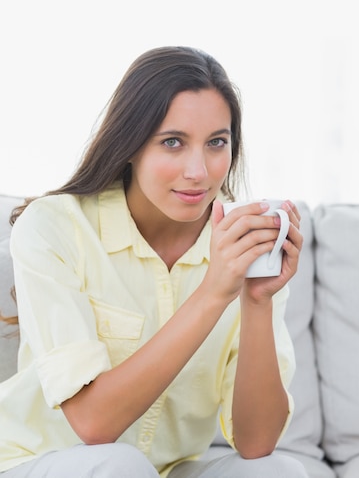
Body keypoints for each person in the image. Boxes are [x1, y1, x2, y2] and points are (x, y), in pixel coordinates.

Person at [0, 46, 307, 478]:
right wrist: (213, 294)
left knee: (279, 472)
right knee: (119, 467)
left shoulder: (241, 246)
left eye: (217, 142)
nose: (198, 171)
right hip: (44, 463)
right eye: (173, 143)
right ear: (130, 144)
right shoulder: (54, 228)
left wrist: (256, 301)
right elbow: (93, 423)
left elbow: (257, 443)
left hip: (164, 471)